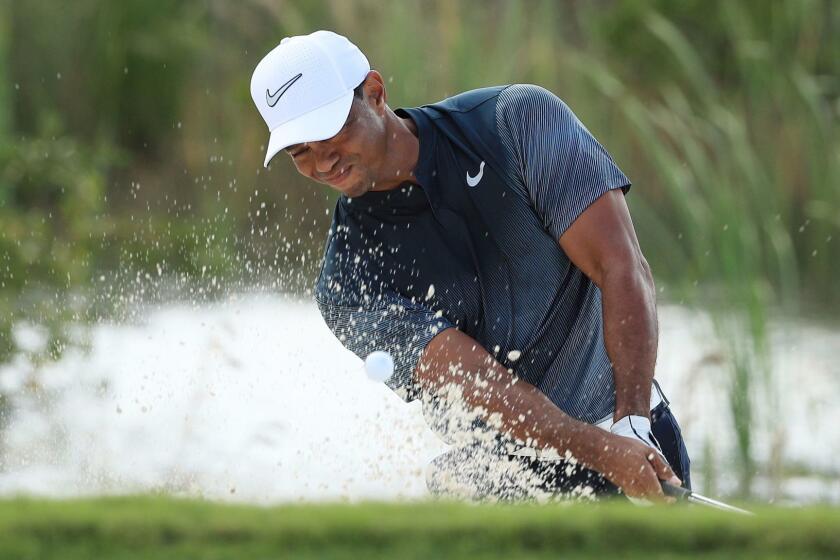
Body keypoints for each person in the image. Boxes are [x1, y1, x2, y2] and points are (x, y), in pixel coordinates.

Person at [250, 30, 690, 502]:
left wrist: (631, 425)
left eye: (330, 132)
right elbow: (474, 382)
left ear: (375, 94)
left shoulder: (516, 123)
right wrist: (599, 452)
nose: (323, 161)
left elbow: (621, 266)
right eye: (301, 153)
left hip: (633, 434)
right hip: (510, 478)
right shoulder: (347, 280)